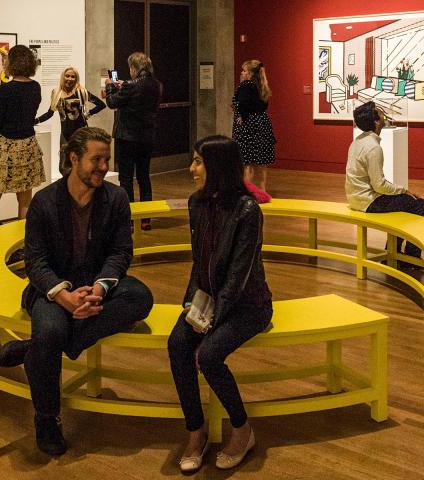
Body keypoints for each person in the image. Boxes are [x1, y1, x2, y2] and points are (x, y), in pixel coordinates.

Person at [0, 127, 154, 456]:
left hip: (96, 285)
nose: (102, 166)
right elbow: (35, 261)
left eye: (105, 160)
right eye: (96, 159)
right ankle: (47, 419)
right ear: (73, 159)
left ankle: (32, 349)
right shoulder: (44, 201)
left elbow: (121, 253)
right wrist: (63, 294)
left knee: (140, 297)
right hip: (51, 288)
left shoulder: (117, 198)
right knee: (51, 328)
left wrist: (99, 287)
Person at [168, 135, 273, 473]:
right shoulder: (196, 203)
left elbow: (239, 276)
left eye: (198, 161)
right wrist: (190, 304)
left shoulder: (247, 210)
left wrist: (210, 320)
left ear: (217, 167)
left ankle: (242, 431)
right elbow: (199, 263)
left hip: (248, 305)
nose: (192, 168)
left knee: (209, 355)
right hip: (209, 301)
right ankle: (195, 432)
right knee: (177, 345)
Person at [346, 101, 424, 262]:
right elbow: (379, 185)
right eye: (380, 112)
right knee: (420, 205)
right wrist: (404, 190)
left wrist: (402, 193)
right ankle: (411, 257)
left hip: (356, 198)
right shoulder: (373, 148)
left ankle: (393, 254)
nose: (383, 113)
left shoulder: (358, 141)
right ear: (376, 121)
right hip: (368, 202)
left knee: (407, 205)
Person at [0, 45, 45, 231]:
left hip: (8, 146)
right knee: (25, 202)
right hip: (29, 145)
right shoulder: (35, 87)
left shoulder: (5, 89)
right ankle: (23, 247)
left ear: (11, 63)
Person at [105, 51, 161, 231]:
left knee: (126, 178)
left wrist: (110, 87)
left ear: (134, 68)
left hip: (127, 138)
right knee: (144, 177)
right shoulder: (156, 85)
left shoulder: (130, 85)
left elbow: (112, 103)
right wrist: (124, 86)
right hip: (147, 138)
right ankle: (146, 218)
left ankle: (128, 218)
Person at [35, 67, 105, 175]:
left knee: (81, 165)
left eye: (73, 76)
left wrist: (88, 114)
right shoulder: (56, 93)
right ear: (63, 76)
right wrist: (35, 121)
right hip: (65, 135)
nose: (70, 78)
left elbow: (101, 104)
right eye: (67, 75)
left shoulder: (81, 92)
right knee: (63, 167)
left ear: (76, 79)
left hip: (81, 135)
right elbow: (50, 113)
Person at [232, 59, 276, 191]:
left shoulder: (246, 85)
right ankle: (262, 189)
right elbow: (263, 105)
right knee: (262, 160)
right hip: (262, 124)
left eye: (244, 70)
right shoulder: (262, 85)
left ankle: (247, 190)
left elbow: (243, 103)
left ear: (250, 73)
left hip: (248, 125)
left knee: (247, 162)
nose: (242, 72)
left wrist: (241, 116)